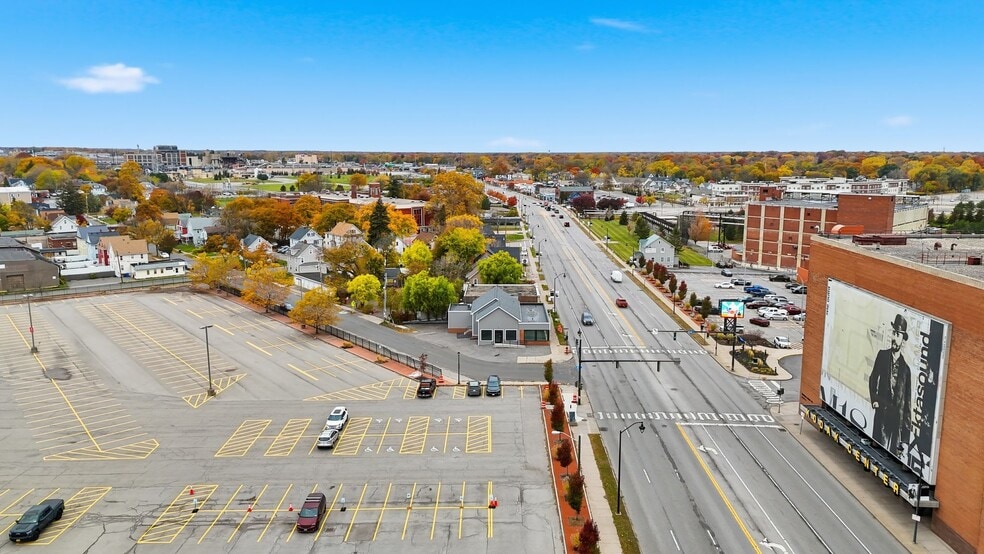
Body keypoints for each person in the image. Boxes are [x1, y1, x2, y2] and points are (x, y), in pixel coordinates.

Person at [868, 314, 913, 456]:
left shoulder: (906, 370)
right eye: (894, 333)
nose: (894, 337)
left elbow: (907, 404)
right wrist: (874, 399)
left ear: (903, 340)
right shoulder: (882, 355)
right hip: (882, 413)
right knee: (878, 450)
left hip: (896, 421)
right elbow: (873, 378)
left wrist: (905, 438)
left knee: (893, 455)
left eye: (898, 335)